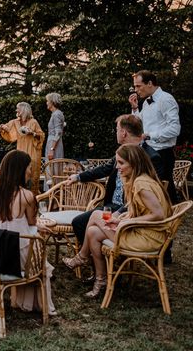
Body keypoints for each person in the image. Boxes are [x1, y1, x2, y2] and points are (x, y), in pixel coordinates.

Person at [63, 144, 172, 298]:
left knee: (95, 216)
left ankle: (82, 256)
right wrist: (122, 218)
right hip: (142, 231)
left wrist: (125, 223)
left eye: (121, 163)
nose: (117, 166)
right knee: (93, 231)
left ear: (133, 163)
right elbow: (139, 209)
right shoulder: (139, 179)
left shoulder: (141, 184)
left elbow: (159, 215)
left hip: (148, 238)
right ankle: (101, 280)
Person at [68, 114, 164, 246]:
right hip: (112, 205)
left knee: (81, 222)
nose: (116, 132)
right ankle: (94, 255)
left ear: (123, 132)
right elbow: (104, 168)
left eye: (117, 129)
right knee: (81, 221)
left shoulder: (151, 157)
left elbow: (151, 191)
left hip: (129, 209)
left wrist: (120, 213)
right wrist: (78, 177)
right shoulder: (122, 152)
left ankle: (91, 255)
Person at [0, 150, 56, 315]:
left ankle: (23, 300)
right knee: (38, 254)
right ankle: (35, 304)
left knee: (31, 242)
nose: (31, 171)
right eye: (29, 167)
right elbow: (31, 223)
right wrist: (38, 227)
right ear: (20, 170)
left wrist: (36, 227)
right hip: (13, 258)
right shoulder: (26, 196)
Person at [129, 70, 181, 203]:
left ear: (150, 83)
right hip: (149, 152)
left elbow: (175, 129)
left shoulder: (166, 99)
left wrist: (150, 136)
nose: (136, 90)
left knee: (163, 190)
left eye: (138, 86)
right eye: (135, 86)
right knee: (152, 191)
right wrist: (135, 109)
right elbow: (140, 124)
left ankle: (172, 218)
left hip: (163, 154)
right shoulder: (146, 102)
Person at [0, 102, 45, 194]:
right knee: (20, 175)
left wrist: (32, 133)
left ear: (24, 110)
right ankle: (20, 197)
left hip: (32, 153)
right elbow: (6, 129)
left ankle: (33, 198)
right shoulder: (14, 122)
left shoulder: (33, 122)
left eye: (18, 108)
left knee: (32, 178)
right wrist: (2, 127)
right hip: (20, 152)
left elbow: (42, 136)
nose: (16, 110)